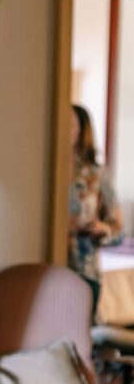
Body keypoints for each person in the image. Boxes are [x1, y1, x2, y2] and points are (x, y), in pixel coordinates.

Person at [68, 103, 123, 316]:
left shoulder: (98, 175)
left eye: (71, 125)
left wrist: (103, 229)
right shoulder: (48, 169)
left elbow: (118, 229)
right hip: (51, 266)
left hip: (85, 269)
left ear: (82, 131)